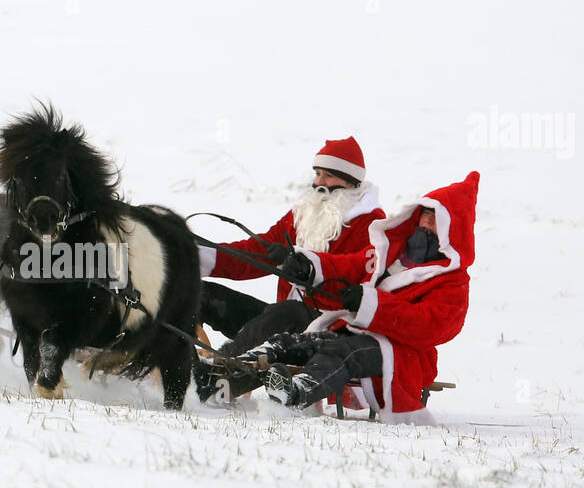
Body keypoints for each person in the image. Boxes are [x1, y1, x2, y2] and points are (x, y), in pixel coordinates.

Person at [218, 171, 478, 424]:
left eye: (437, 218)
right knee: (292, 343)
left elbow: (433, 326)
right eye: (425, 214)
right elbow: (346, 266)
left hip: (398, 353)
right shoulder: (390, 252)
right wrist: (311, 266)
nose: (427, 222)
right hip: (354, 331)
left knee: (341, 351)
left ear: (453, 228)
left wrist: (371, 305)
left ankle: (294, 393)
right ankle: (222, 374)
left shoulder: (452, 281)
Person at [194, 136, 383, 402]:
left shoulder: (372, 225)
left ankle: (216, 382)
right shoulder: (304, 214)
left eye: (329, 176)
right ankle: (174, 366)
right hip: (280, 322)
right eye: (317, 174)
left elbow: (355, 289)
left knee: (287, 311)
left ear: (351, 181)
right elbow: (255, 253)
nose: (319, 183)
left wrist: (303, 265)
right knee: (199, 293)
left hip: (328, 332)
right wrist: (197, 254)